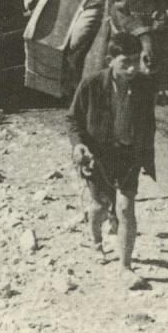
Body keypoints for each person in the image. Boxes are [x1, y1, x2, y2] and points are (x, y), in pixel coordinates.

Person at [67, 32, 157, 290]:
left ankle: (125, 267)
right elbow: (72, 120)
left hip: (128, 154)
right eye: (124, 62)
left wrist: (144, 153)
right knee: (99, 204)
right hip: (98, 154)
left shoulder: (145, 85)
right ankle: (96, 241)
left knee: (126, 208)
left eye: (135, 61)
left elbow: (146, 121)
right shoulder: (92, 83)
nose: (131, 69)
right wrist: (79, 146)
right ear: (110, 60)